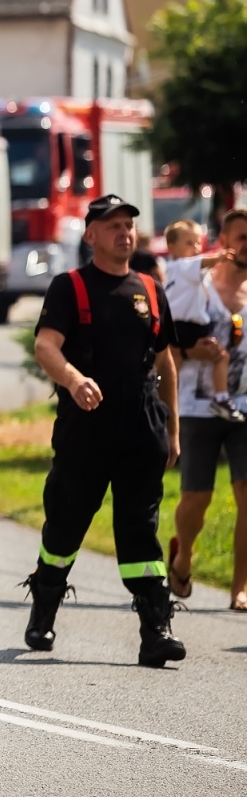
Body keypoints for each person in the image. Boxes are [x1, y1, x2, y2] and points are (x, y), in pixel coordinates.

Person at [23, 194, 185, 667]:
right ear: (90, 235)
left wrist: (172, 430)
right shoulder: (69, 287)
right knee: (66, 525)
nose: (123, 233)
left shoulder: (151, 290)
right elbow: (45, 346)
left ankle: (155, 631)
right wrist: (73, 379)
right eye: (112, 225)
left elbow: (165, 363)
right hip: (86, 427)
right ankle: (44, 607)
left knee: (141, 528)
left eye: (128, 226)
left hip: (141, 426)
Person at [166, 209, 247, 612]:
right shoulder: (197, 285)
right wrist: (186, 350)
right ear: (224, 240)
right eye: (241, 236)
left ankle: (240, 587)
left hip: (244, 410)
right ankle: (183, 555)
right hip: (198, 408)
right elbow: (166, 345)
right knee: (197, 499)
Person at [161, 220, 243, 423]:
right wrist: (220, 257)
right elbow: (203, 263)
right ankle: (221, 397)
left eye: (198, 243)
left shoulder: (171, 269)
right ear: (171, 247)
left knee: (174, 364)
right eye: (189, 243)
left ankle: (166, 401)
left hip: (177, 325)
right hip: (189, 326)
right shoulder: (184, 266)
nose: (196, 248)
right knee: (221, 357)